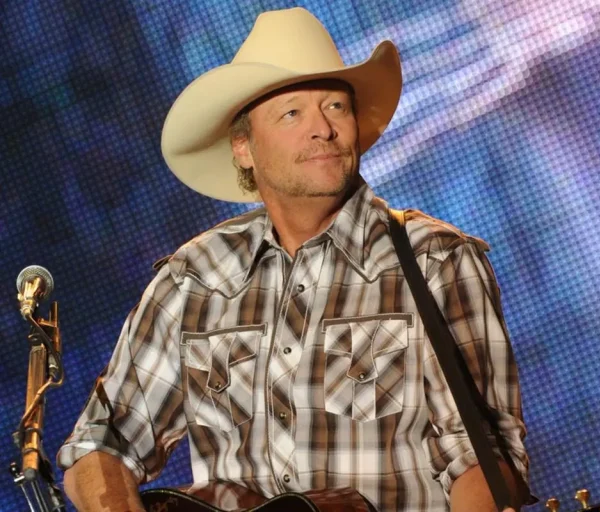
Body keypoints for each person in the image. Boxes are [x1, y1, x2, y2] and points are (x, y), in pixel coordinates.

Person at [57, 7, 530, 512]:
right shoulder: (193, 280)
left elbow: (484, 462)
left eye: (335, 107)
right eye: (292, 113)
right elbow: (101, 445)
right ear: (244, 148)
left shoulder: (434, 261)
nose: (322, 129)